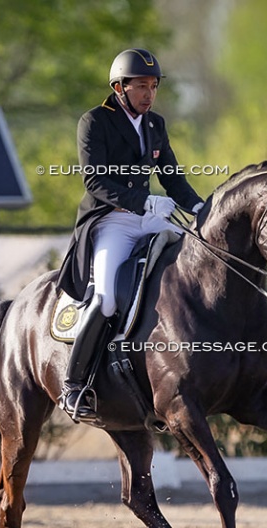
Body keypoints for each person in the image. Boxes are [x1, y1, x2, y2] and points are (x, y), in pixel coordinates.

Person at [57, 47, 204, 421]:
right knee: (105, 299)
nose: (149, 95)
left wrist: (201, 208)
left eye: (153, 87)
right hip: (111, 220)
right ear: (119, 87)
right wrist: (143, 201)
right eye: (141, 87)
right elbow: (95, 180)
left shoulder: (155, 124)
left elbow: (171, 176)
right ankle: (74, 386)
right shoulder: (94, 122)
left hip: (149, 215)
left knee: (199, 260)